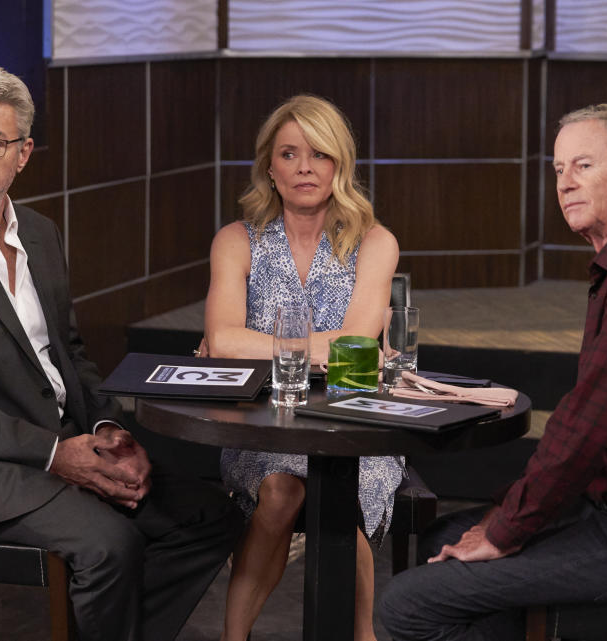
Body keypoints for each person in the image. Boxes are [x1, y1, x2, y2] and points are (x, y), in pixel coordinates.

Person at [0, 63, 244, 641]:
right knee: (110, 545)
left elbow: (67, 352)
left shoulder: (40, 233)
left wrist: (108, 428)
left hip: (66, 440)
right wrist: (55, 454)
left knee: (210, 515)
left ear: (23, 153)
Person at [378, 104, 607, 640]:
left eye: (583, 166)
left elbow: (590, 426)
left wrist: (508, 529)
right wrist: (503, 519)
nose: (564, 184)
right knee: (445, 534)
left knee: (408, 606)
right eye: (558, 170)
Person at [203, 94, 403, 641]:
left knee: (341, 492)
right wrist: (329, 343)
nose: (305, 168)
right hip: (261, 421)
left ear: (340, 164)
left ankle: (362, 636)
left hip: (353, 419)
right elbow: (222, 340)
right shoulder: (236, 241)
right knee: (281, 488)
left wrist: (258, 341)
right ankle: (233, 637)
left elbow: (357, 344)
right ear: (270, 166)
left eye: (319, 154)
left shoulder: (375, 243)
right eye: (289, 154)